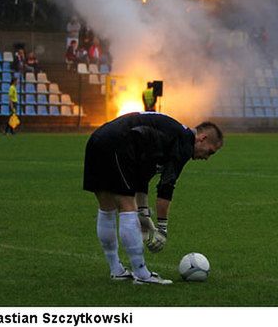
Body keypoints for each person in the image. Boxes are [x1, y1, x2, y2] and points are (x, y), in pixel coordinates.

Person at [83, 113, 223, 284]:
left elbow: (142, 176)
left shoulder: (169, 134)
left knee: (107, 208)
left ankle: (116, 270)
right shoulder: (184, 141)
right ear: (202, 138)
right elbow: (166, 187)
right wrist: (162, 229)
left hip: (98, 139)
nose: (207, 158)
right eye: (210, 152)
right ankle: (142, 275)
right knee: (127, 207)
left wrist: (144, 214)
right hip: (118, 143)